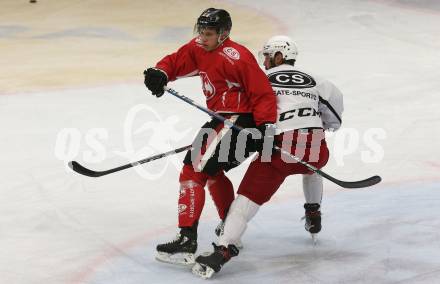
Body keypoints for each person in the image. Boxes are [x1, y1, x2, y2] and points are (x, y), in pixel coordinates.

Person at [193, 35, 344, 278]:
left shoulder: (259, 79)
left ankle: (222, 251)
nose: (263, 62)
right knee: (311, 167)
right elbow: (334, 119)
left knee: (245, 201)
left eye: (267, 56)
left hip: (277, 149)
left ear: (279, 56)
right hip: (314, 145)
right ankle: (313, 212)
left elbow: (244, 114)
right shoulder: (319, 81)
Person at [143, 8, 277, 265]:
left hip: (240, 121)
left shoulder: (236, 57)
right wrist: (161, 72)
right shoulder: (199, 47)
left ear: (223, 34)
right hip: (225, 119)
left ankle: (186, 240)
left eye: (208, 34)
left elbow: (263, 93)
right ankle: (230, 230)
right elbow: (177, 60)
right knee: (211, 172)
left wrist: (266, 129)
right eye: (200, 32)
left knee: (192, 170)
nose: (202, 38)